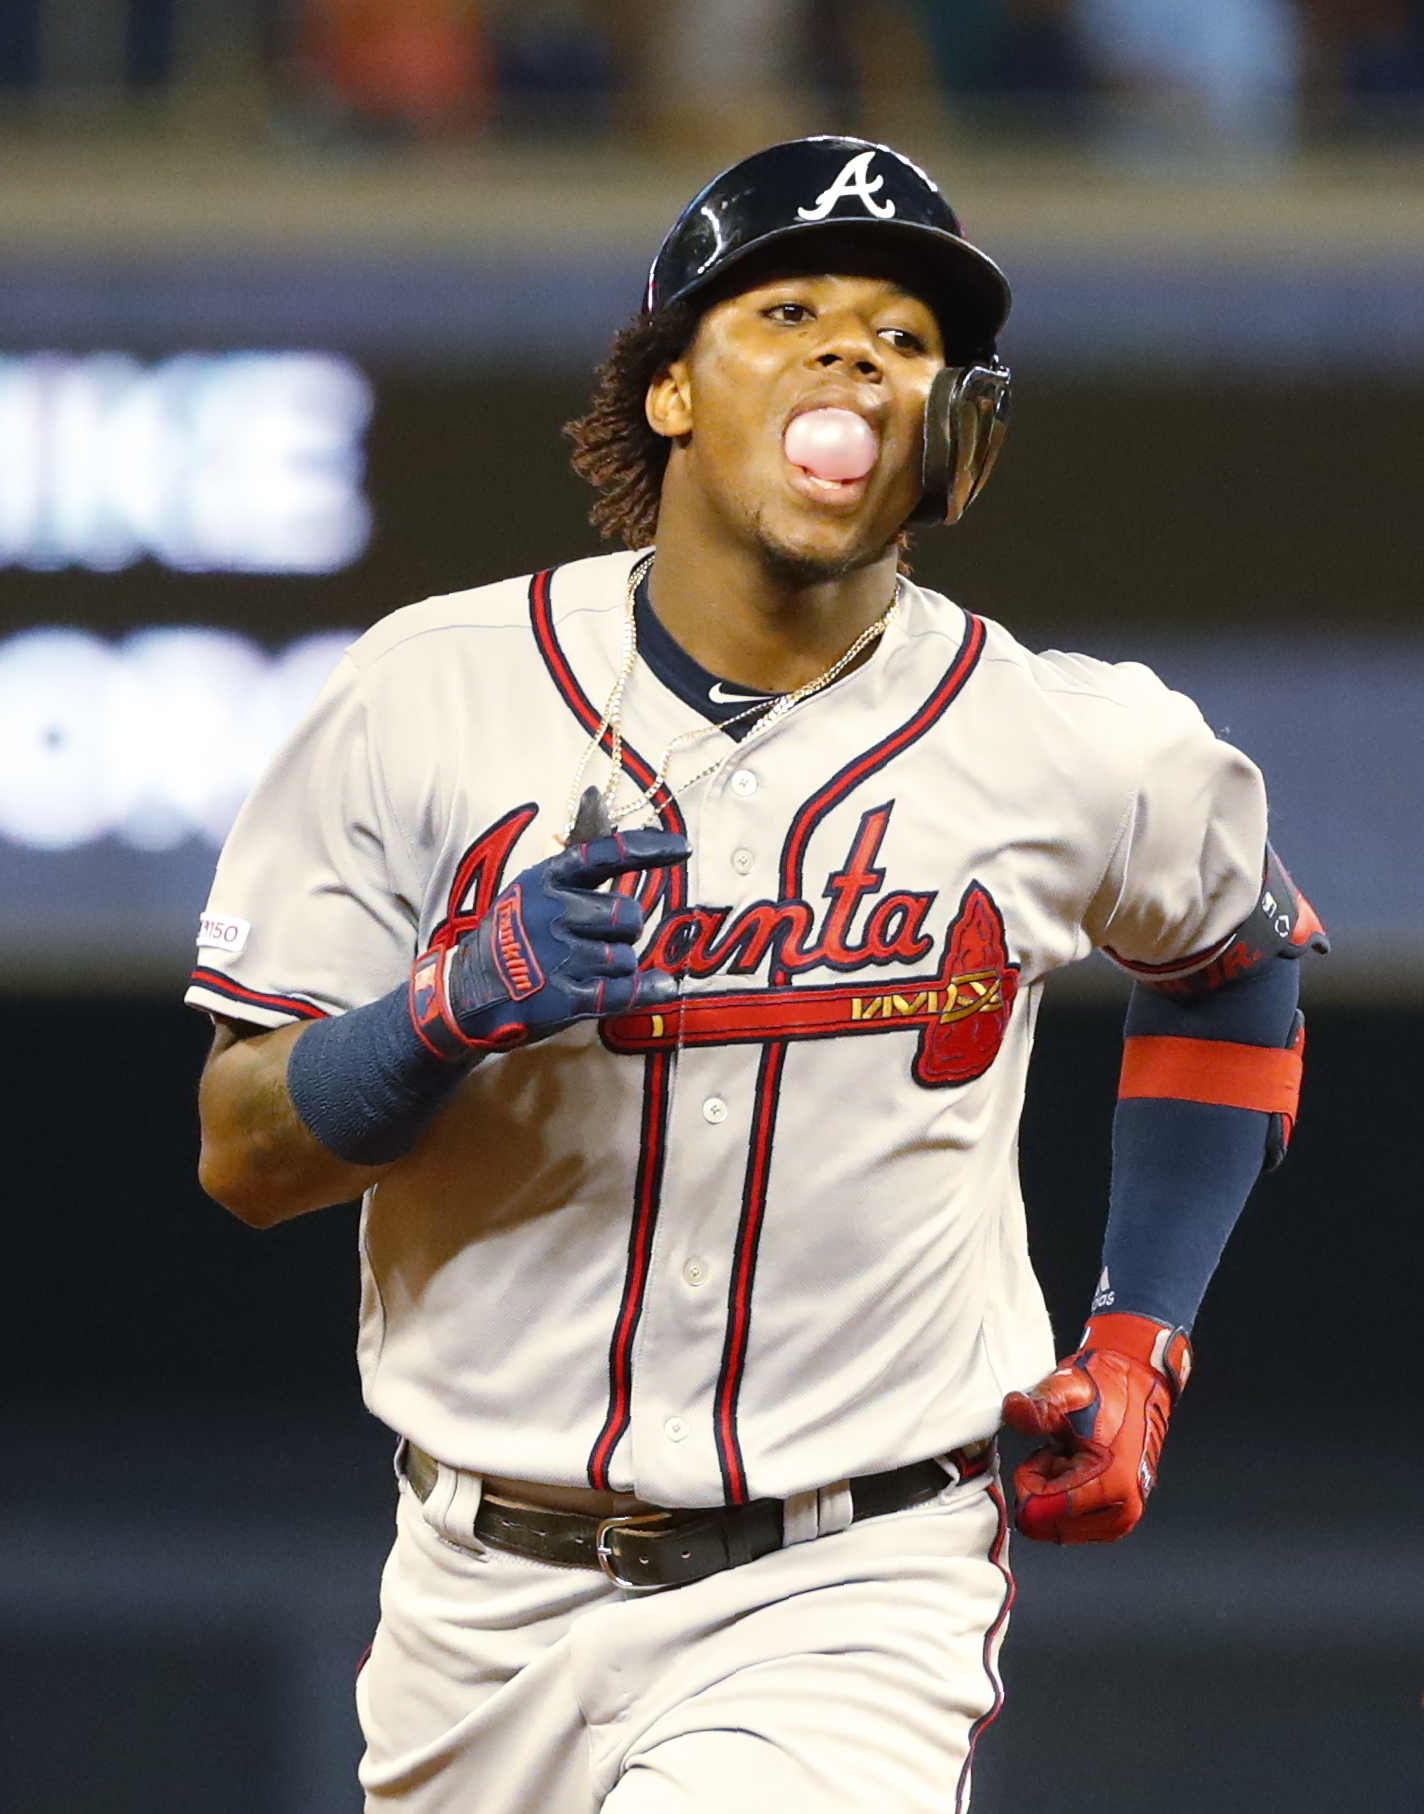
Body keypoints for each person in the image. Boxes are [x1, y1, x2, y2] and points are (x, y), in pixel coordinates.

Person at [190, 136, 1325, 1814]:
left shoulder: (1070, 741)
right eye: (788, 307)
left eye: (907, 335)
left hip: (850, 1575)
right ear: (668, 394)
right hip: (475, 1586)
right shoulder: (424, 692)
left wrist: (1139, 1339)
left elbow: (1238, 963)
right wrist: (444, 1010)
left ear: (955, 426)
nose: (854, 354)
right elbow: (241, 1154)